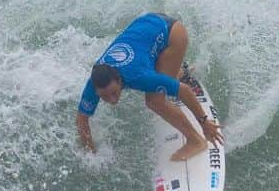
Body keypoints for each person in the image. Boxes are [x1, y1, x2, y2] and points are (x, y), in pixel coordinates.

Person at [76, 12, 224, 160]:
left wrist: (204, 123)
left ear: (119, 79)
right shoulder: (94, 83)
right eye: (104, 96)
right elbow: (82, 119)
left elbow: (184, 91)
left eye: (114, 93)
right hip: (149, 25)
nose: (112, 100)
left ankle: (196, 141)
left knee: (154, 101)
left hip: (172, 34)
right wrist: (90, 153)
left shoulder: (138, 76)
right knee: (159, 80)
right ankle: (177, 73)